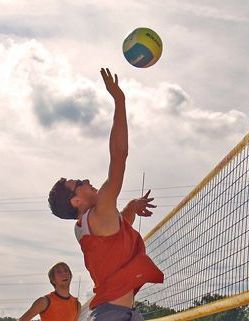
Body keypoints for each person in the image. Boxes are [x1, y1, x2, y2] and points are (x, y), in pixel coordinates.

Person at [48, 68, 164, 321]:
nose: (87, 180)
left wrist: (132, 207)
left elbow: (118, 230)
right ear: (75, 201)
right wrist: (119, 100)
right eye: (79, 183)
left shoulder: (88, 224)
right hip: (112, 315)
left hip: (119, 313)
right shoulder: (97, 213)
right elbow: (119, 155)